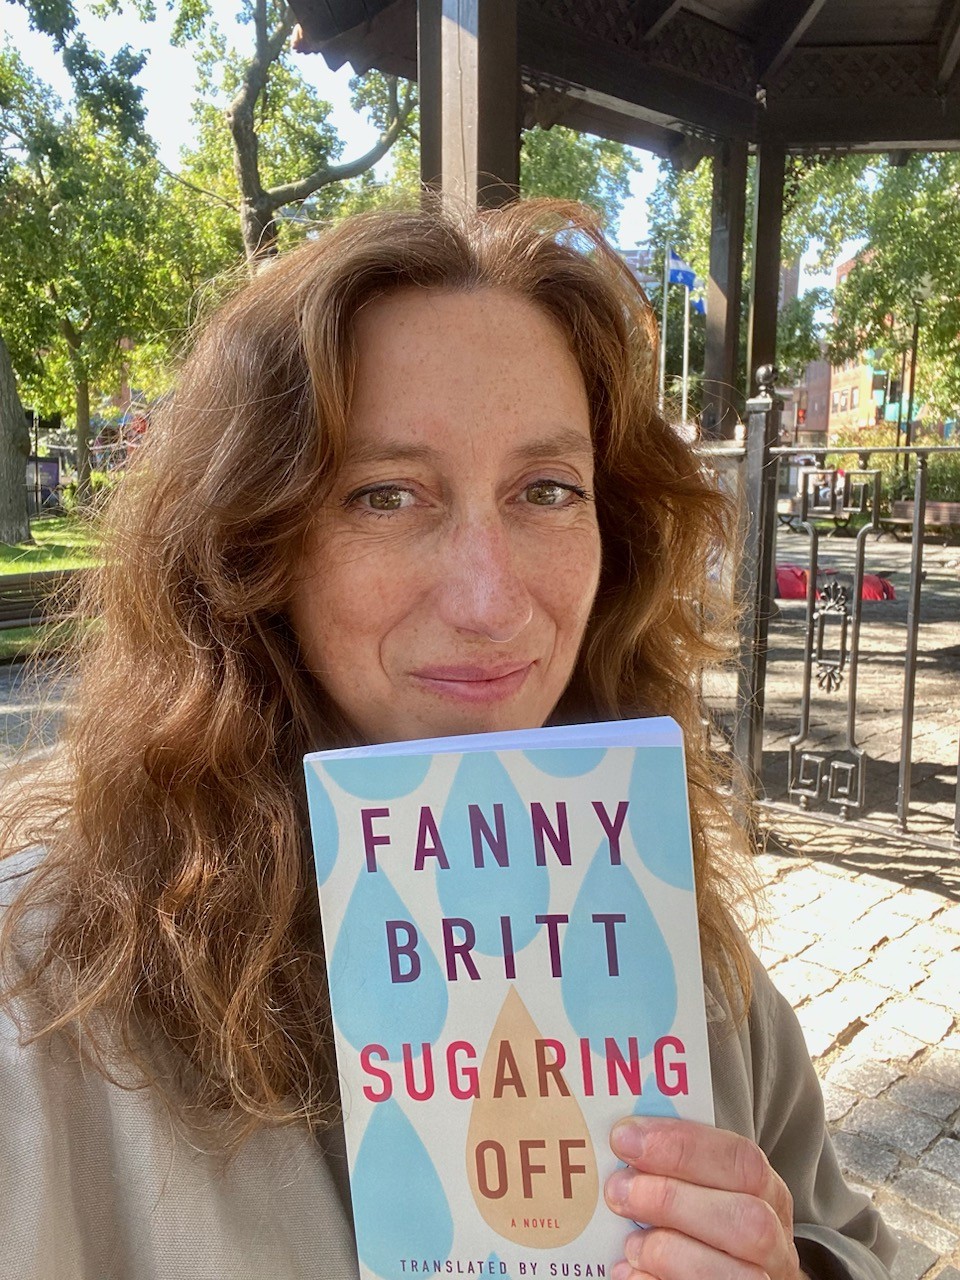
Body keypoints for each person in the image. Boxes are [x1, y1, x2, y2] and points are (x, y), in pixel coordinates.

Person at [0, 200, 895, 1280]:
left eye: (549, 489)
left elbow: (849, 1233)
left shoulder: (679, 951)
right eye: (386, 494)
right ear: (253, 545)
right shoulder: (50, 994)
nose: (490, 597)